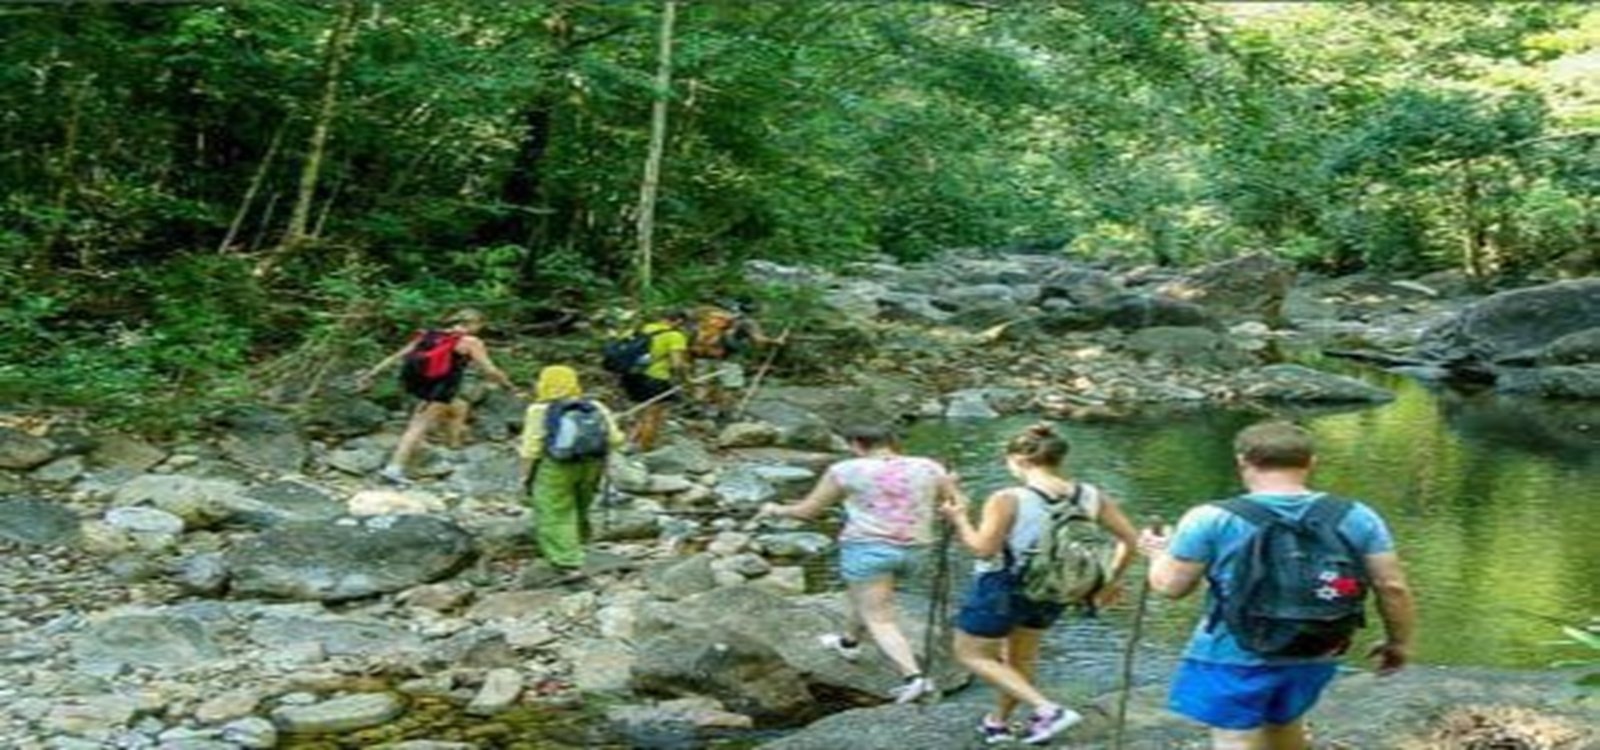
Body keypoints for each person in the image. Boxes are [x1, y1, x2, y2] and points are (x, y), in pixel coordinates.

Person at [1140, 421, 1417, 750]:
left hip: (1232, 652)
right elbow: (1392, 586)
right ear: (1311, 462)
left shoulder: (1211, 518)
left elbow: (1171, 587)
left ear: (1243, 461)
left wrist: (1156, 554)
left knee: (1236, 736)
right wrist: (1398, 643)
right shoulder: (1357, 516)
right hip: (1319, 646)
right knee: (1285, 724)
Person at [939, 423, 1140, 745]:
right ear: (1059, 459)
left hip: (1003, 586)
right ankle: (998, 723)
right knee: (1021, 659)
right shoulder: (1090, 495)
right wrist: (1106, 582)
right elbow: (1130, 540)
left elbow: (983, 548)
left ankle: (1047, 710)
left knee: (971, 654)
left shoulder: (1007, 498)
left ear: (1018, 460)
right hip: (1056, 587)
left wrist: (959, 518)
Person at [757, 424, 946, 704]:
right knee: (865, 598)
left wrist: (774, 509)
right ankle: (849, 642)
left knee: (880, 617)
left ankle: (914, 678)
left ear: (857, 444)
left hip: (869, 550)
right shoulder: (929, 467)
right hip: (918, 550)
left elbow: (807, 512)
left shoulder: (846, 470)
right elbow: (954, 503)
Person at [357, 308, 516, 484]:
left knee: (453, 409)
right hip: (442, 389)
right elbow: (489, 369)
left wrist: (371, 374)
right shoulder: (470, 341)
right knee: (418, 427)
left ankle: (449, 448)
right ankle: (394, 468)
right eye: (480, 324)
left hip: (421, 386)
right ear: (474, 323)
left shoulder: (428, 335)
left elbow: (397, 356)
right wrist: (508, 385)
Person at [518, 365, 625, 579]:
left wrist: (525, 477)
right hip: (592, 465)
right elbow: (615, 439)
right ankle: (580, 543)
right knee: (580, 506)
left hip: (556, 466)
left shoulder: (538, 410)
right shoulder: (595, 406)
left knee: (554, 511)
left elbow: (531, 449)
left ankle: (567, 561)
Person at [687, 300, 785, 418]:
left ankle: (697, 407)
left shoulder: (707, 320)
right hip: (728, 359)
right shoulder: (747, 322)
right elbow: (759, 340)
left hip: (702, 358)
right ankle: (724, 413)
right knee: (730, 386)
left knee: (702, 384)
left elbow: (691, 340)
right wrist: (776, 341)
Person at [619, 309, 690, 452]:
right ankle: (646, 451)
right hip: (655, 378)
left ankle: (629, 445)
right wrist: (686, 379)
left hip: (629, 376)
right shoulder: (674, 335)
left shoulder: (638, 330)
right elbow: (677, 364)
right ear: (679, 321)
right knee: (652, 416)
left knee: (639, 413)